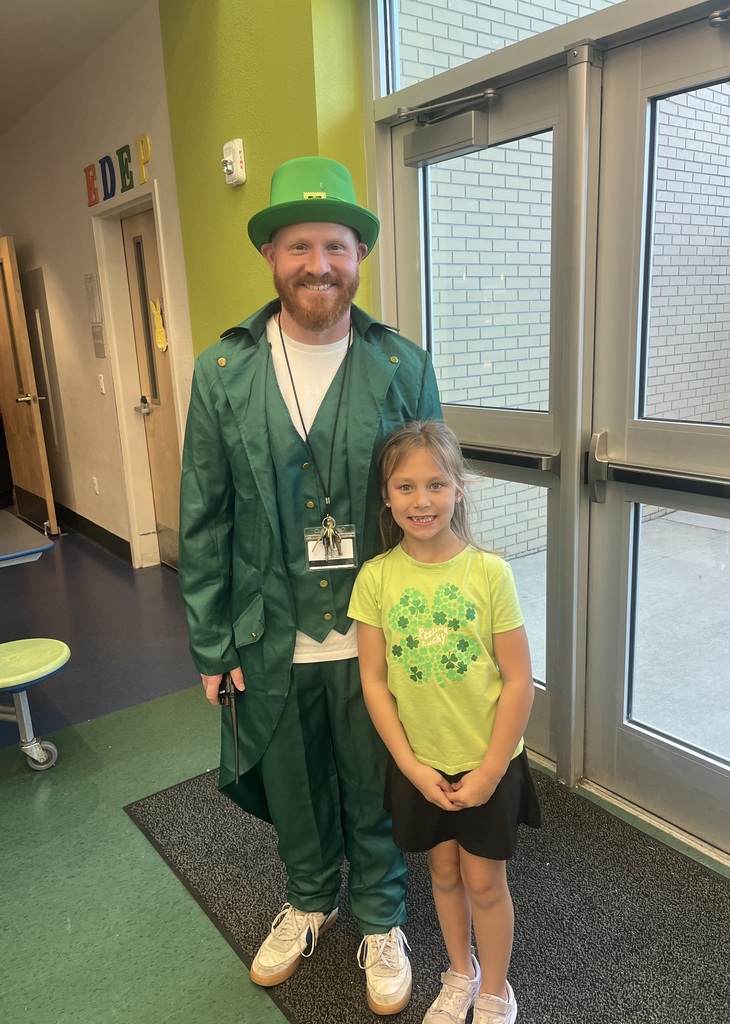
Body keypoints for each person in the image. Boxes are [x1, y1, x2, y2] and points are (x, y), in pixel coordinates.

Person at [178, 156, 441, 1015]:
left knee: (374, 779)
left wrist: (436, 624)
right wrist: (211, 644)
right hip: (269, 627)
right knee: (293, 782)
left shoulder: (401, 364)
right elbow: (204, 516)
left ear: (360, 254)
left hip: (375, 631)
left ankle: (382, 917)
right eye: (299, 246)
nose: (317, 264)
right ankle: (308, 899)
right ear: (271, 255)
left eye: (335, 246)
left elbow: (433, 501)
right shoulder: (224, 372)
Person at [348, 420, 542, 1024]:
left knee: (485, 882)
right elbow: (374, 681)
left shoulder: (489, 573)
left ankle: (495, 990)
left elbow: (519, 681)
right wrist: (410, 766)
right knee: (443, 872)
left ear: (459, 488)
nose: (422, 500)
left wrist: (490, 771)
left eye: (436, 484)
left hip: (487, 763)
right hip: (421, 765)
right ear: (386, 497)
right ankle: (461, 972)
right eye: (405, 487)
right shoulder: (376, 578)